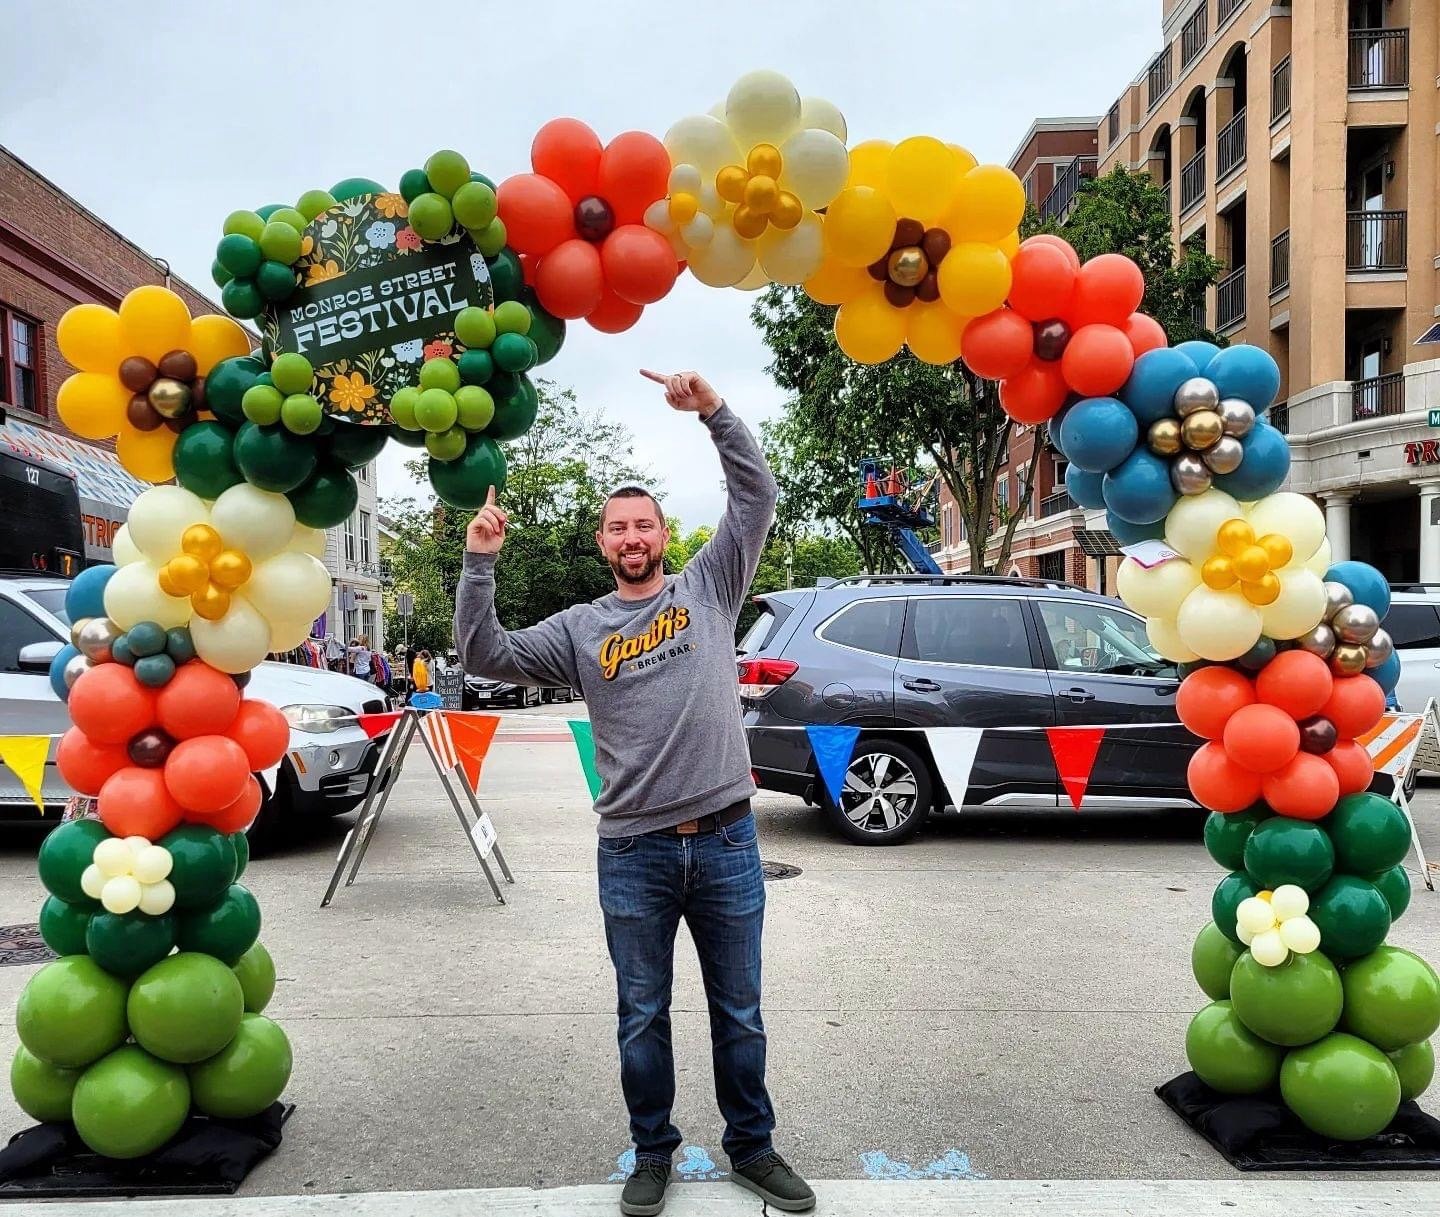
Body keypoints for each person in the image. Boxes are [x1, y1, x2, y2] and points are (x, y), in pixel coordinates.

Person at [455, 371, 812, 1216]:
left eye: (644, 522)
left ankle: (752, 1146)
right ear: (603, 542)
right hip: (634, 851)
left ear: (662, 533)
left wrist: (715, 413)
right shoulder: (580, 629)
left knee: (741, 1012)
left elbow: (755, 498)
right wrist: (480, 559)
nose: (632, 535)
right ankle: (653, 1150)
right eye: (617, 526)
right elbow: (482, 653)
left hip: (726, 839)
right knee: (641, 1015)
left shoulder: (709, 586)